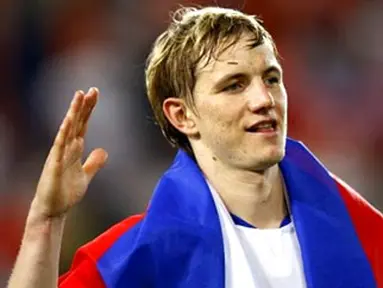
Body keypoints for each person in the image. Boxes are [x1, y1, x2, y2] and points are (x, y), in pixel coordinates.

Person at [7, 6, 383, 288]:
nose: (263, 98)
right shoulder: (139, 256)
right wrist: (46, 222)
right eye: (234, 84)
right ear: (182, 115)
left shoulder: (365, 234)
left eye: (271, 78)